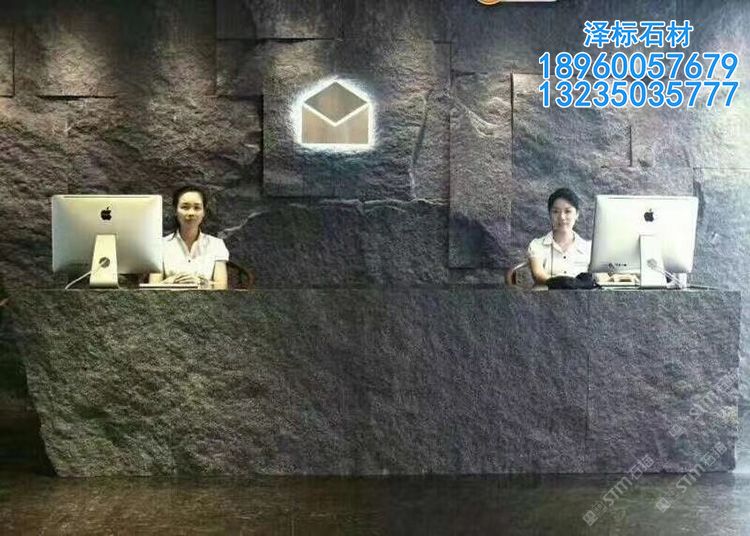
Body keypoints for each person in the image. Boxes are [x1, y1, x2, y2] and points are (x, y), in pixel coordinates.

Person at [148, 185, 229, 289]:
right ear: (175, 211)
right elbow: (152, 287)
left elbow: (222, 287)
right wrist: (170, 282)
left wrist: (200, 282)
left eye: (197, 208)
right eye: (185, 207)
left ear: (204, 212)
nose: (191, 213)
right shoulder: (160, 245)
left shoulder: (216, 244)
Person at [527, 188, 591, 285]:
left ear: (577, 214)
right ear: (549, 214)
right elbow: (538, 275)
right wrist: (564, 284)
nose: (562, 217)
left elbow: (600, 278)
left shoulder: (588, 248)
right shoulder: (537, 245)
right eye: (556, 211)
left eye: (567, 211)